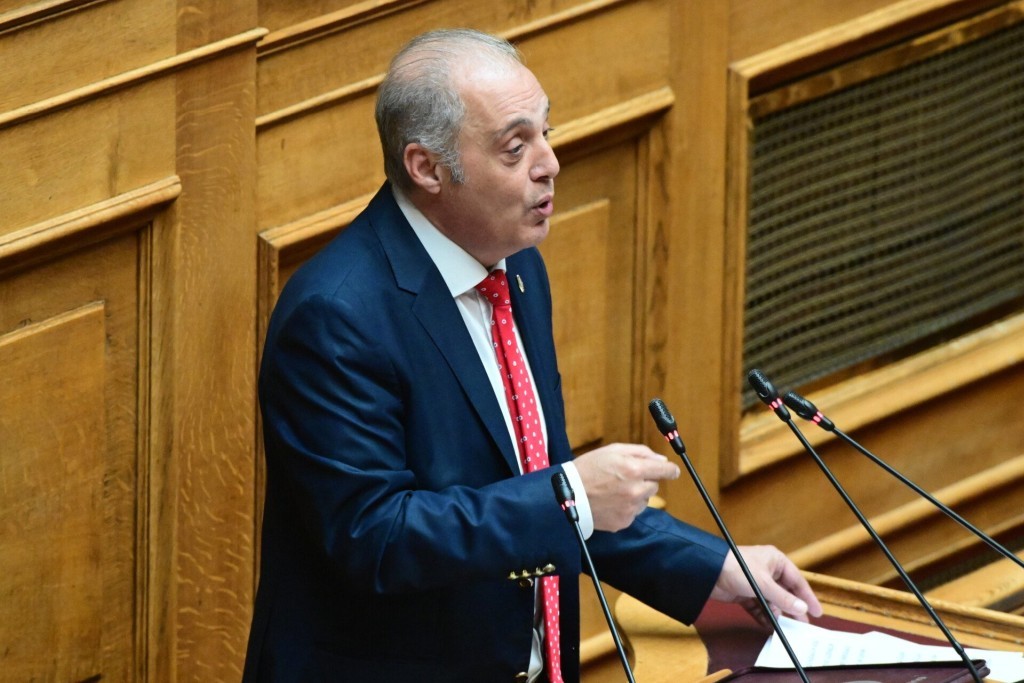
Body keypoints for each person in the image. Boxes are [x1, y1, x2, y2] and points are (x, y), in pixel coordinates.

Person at [242, 28, 821, 683]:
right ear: (427, 167)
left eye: (546, 132)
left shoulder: (515, 268)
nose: (550, 163)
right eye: (515, 148)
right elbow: (377, 537)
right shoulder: (335, 317)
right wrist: (570, 494)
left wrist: (710, 563)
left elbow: (535, 482)